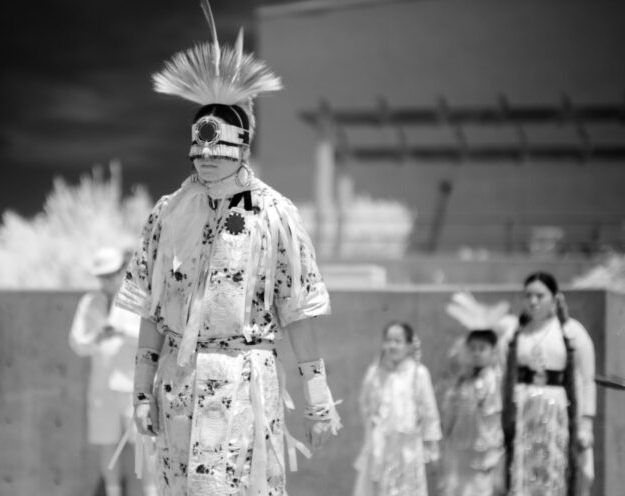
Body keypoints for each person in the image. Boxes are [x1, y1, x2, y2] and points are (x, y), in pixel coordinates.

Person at [114, 2, 341, 495]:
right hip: (180, 386)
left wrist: (317, 398)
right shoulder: (167, 214)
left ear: (244, 148)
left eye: (220, 154)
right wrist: (140, 391)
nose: (208, 162)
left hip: (246, 383)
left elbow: (296, 311)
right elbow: (153, 311)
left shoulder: (275, 215)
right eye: (200, 153)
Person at [69, 247, 157, 496]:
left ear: (121, 271)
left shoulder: (138, 296)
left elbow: (149, 339)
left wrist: (120, 332)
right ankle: (112, 492)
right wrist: (97, 336)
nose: (106, 280)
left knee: (144, 447)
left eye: (110, 274)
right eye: (102, 276)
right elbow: (77, 342)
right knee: (106, 445)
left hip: (132, 386)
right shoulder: (89, 301)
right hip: (101, 386)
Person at [500, 271, 596, 496]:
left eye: (539, 295)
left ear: (555, 298)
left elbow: (586, 380)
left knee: (556, 471)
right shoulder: (514, 334)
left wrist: (586, 423)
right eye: (528, 295)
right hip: (523, 415)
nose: (533, 301)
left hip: (557, 415)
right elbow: (502, 376)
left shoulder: (572, 332)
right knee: (521, 471)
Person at [353, 321, 442, 496]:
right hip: (382, 446)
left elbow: (429, 410)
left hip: (408, 448)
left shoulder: (418, 373)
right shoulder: (375, 373)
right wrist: (374, 428)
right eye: (388, 340)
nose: (392, 345)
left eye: (398, 341)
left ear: (409, 345)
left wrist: (432, 446)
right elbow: (364, 403)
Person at [439, 328, 504, 496]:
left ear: (493, 351)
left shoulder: (495, 378)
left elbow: (495, 415)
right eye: (472, 348)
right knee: (457, 487)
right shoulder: (462, 380)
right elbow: (450, 412)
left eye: (482, 348)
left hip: (484, 449)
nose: (476, 353)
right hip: (460, 447)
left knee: (481, 488)